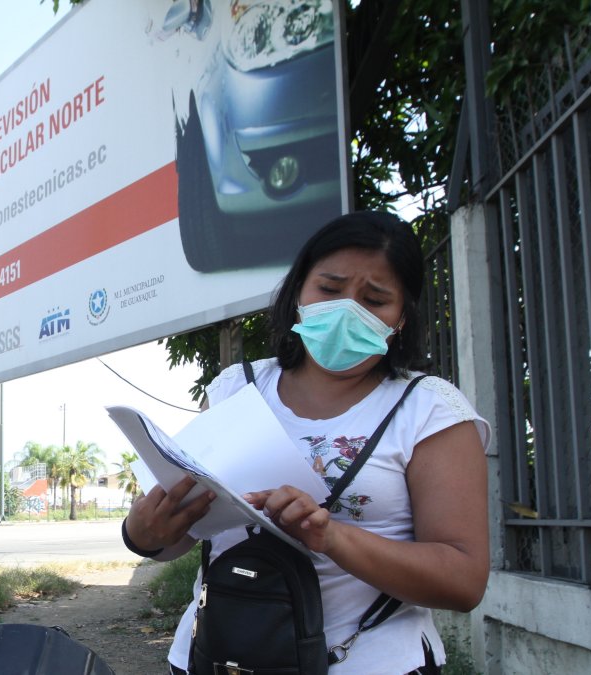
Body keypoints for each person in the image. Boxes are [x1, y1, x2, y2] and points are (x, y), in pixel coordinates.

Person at [123, 211, 490, 674]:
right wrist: (145, 534)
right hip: (219, 655)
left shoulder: (430, 409)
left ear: (401, 318)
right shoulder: (237, 387)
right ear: (299, 291)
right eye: (329, 289)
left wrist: (331, 537)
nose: (345, 310)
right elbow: (186, 532)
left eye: (374, 300)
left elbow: (463, 582)